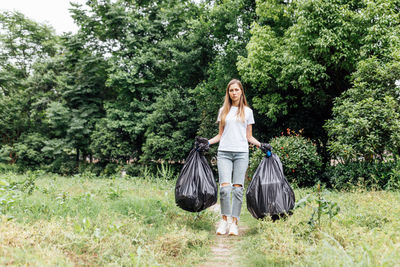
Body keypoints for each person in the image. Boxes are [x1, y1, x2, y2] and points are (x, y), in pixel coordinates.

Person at [202, 79, 269, 236]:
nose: (234, 93)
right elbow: (220, 135)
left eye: (236, 90)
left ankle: (234, 223)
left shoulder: (247, 112)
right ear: (228, 93)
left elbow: (249, 137)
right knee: (225, 189)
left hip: (241, 154)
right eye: (231, 90)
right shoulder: (223, 111)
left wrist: (261, 145)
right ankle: (224, 221)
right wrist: (206, 143)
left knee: (238, 190)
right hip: (224, 152)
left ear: (241, 92)